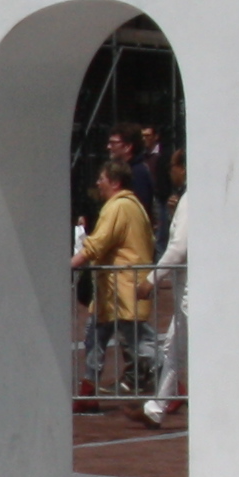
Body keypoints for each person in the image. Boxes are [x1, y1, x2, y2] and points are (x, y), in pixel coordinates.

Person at [75, 169, 153, 398]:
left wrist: (70, 264)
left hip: (122, 288)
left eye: (102, 179)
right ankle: (88, 391)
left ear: (115, 182)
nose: (98, 183)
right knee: (94, 336)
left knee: (140, 342)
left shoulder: (119, 207)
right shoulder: (131, 205)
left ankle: (172, 384)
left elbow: (97, 243)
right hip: (110, 291)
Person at [137, 200, 186, 430]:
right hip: (185, 297)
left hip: (192, 298)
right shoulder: (188, 200)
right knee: (172, 350)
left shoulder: (190, 200)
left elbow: (178, 249)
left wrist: (151, 279)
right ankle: (156, 409)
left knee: (183, 352)